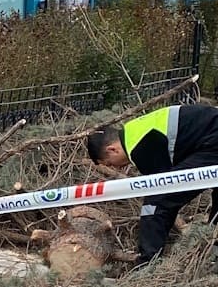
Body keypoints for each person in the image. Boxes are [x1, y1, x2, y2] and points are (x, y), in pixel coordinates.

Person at [87, 104, 218, 265]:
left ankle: (148, 263)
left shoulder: (138, 146)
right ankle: (214, 246)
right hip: (210, 135)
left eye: (108, 163)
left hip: (212, 141)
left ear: (112, 149)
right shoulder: (134, 131)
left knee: (156, 201)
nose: (113, 167)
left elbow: (162, 195)